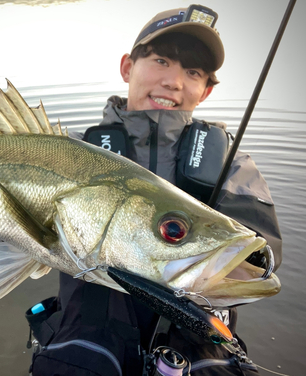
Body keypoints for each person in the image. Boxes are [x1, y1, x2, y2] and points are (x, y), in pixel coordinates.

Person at [26, 5, 282, 376]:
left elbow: (259, 261)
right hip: (84, 342)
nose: (174, 81)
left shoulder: (233, 165)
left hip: (199, 347)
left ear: (206, 90)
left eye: (192, 72)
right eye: (161, 60)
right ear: (128, 67)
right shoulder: (70, 151)